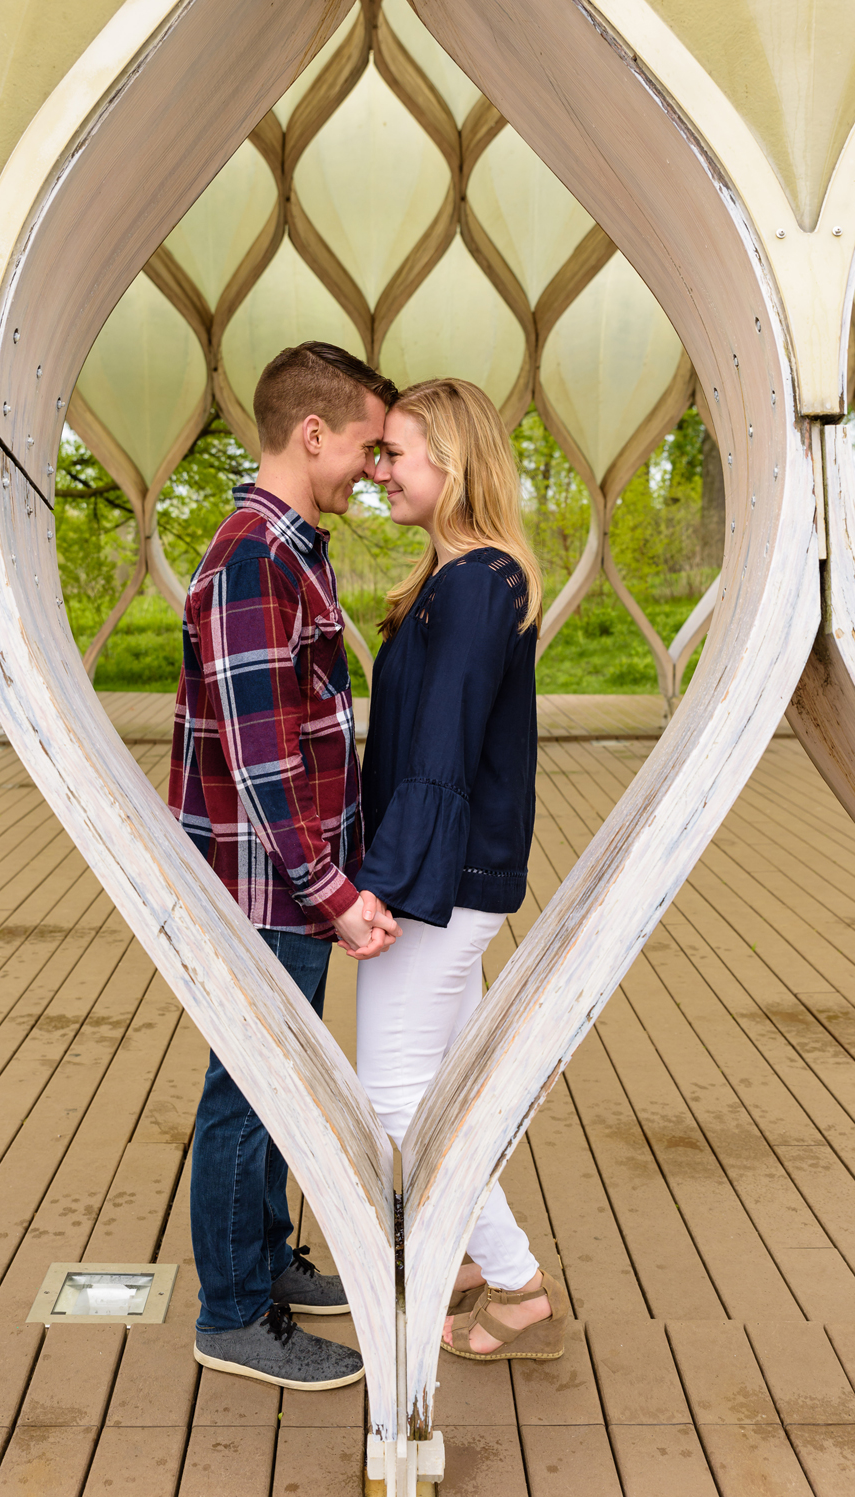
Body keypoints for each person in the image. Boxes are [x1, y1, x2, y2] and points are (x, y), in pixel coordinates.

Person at [171, 341, 402, 1391]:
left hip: (282, 886)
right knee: (247, 1092)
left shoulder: (287, 547)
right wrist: (332, 893)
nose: (369, 466)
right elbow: (261, 762)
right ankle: (230, 1314)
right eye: (363, 444)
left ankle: (262, 1261)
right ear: (311, 433)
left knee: (276, 1088)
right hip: (266, 890)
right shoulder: (251, 561)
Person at [355, 378, 569, 1362]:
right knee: (433, 1087)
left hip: (436, 882)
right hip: (446, 874)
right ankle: (471, 1264)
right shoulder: (456, 579)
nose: (377, 468)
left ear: (450, 459)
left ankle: (517, 1282)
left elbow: (439, 752)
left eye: (394, 451)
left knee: (397, 1096)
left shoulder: (478, 582)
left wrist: (385, 887)